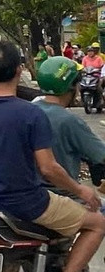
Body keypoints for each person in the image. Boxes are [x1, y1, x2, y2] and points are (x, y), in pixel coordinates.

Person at [0, 39, 105, 272]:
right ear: (19, 70)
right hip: (28, 203)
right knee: (98, 223)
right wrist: (82, 189)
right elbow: (48, 168)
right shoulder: (30, 113)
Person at [33, 57, 105, 187]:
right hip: (62, 193)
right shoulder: (69, 121)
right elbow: (100, 154)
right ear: (71, 85)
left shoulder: (29, 109)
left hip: (28, 192)